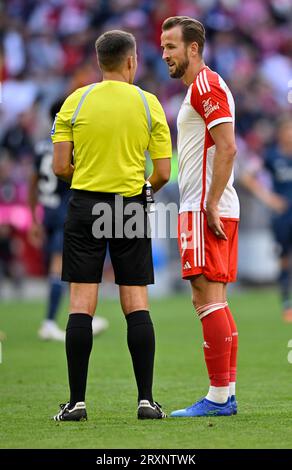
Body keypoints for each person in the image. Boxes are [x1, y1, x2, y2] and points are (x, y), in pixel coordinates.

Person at [51, 30, 172, 421]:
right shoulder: (148, 103)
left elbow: (59, 167)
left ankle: (76, 403)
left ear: (100, 61)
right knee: (135, 302)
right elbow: (163, 173)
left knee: (81, 305)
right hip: (130, 205)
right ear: (132, 61)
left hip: (85, 204)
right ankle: (146, 401)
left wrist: (88, 180)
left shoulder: (76, 100)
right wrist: (140, 191)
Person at [161, 16, 239, 417]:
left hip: (204, 207)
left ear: (193, 48)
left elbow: (227, 147)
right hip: (209, 204)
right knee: (216, 300)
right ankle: (227, 393)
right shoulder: (200, 87)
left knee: (205, 299)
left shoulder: (206, 85)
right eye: (162, 47)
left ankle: (218, 398)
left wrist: (209, 202)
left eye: (171, 47)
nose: (164, 54)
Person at [28, 101, 109, 341]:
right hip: (66, 212)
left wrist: (34, 219)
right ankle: (50, 321)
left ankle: (83, 315)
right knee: (61, 265)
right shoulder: (68, 144)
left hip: (48, 212)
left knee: (70, 265)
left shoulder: (42, 146)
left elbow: (33, 184)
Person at [238, 117, 292, 322]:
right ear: (280, 134)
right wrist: (269, 198)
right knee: (284, 259)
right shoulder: (271, 156)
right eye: (287, 130)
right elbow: (247, 177)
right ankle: (287, 305)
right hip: (283, 216)